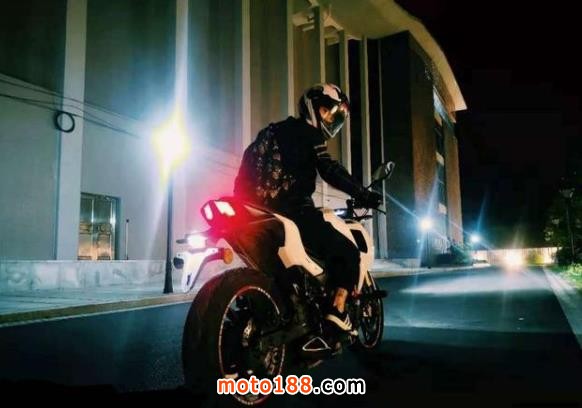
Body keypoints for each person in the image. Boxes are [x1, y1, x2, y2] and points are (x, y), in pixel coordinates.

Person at [233, 83, 382, 334]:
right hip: (294, 212)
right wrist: (362, 193)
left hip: (253, 211)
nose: (329, 119)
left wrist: (242, 202)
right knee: (347, 252)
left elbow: (246, 164)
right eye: (326, 111)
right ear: (311, 108)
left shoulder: (270, 131)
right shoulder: (309, 134)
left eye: (333, 116)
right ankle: (337, 309)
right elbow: (330, 169)